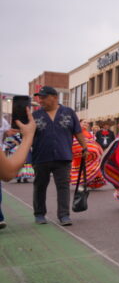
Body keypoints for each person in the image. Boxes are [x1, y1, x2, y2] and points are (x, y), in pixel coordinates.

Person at [30, 86, 89, 226]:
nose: (40, 100)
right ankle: (39, 214)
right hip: (41, 157)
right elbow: (27, 136)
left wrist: (85, 147)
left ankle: (64, 215)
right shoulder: (35, 115)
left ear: (54, 97)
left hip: (63, 157)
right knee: (40, 186)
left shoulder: (68, 112)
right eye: (40, 97)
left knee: (63, 187)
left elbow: (78, 132)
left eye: (43, 97)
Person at [70, 118, 105, 189]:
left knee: (90, 167)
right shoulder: (76, 131)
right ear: (79, 123)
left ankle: (89, 182)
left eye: (87, 123)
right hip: (81, 152)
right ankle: (82, 182)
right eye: (84, 122)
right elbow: (73, 140)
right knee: (81, 168)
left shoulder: (88, 133)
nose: (86, 124)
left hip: (89, 153)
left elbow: (93, 142)